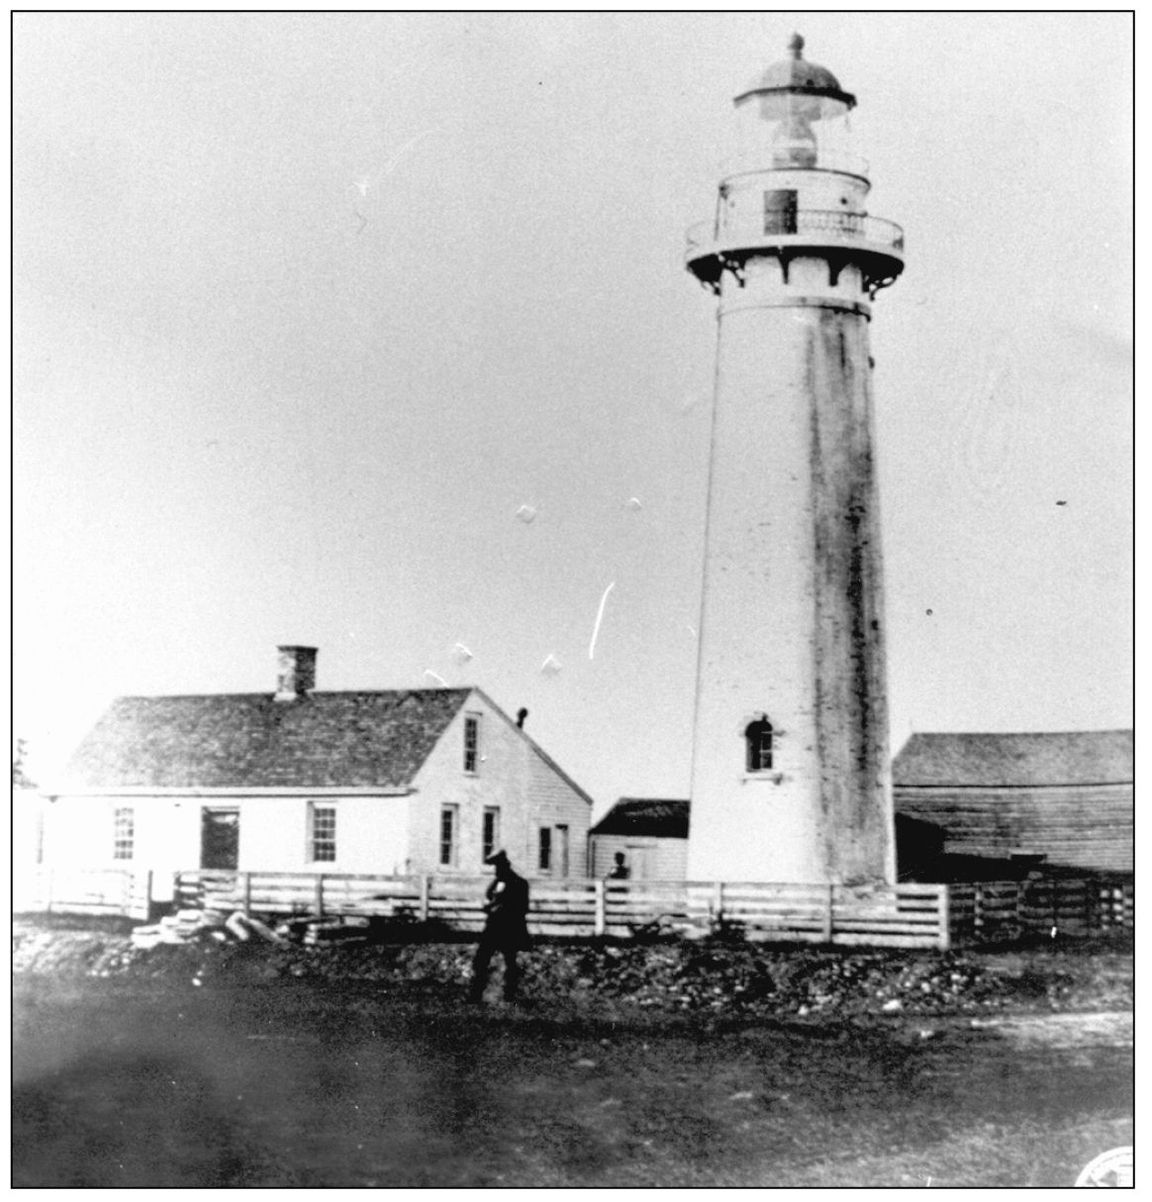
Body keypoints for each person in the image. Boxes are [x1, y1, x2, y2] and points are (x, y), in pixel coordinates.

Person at [468, 850, 530, 1003]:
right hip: (493, 927)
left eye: (498, 867)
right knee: (481, 960)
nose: (496, 871)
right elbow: (489, 897)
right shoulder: (496, 882)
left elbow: (522, 907)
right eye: (495, 867)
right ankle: (476, 995)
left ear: (505, 867)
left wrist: (501, 908)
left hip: (509, 928)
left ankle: (510, 995)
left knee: (510, 961)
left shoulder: (519, 883)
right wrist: (489, 906)